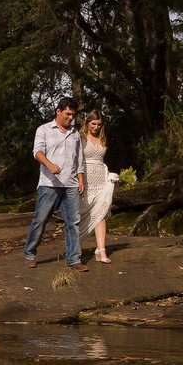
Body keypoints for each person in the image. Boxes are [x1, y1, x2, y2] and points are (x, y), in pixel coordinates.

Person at [23, 97, 86, 271]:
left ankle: (74, 259)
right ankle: (30, 253)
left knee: (73, 222)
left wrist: (81, 179)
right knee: (41, 219)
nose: (70, 118)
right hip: (49, 183)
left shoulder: (75, 133)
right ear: (58, 111)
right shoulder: (44, 130)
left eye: (73, 115)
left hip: (71, 184)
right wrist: (49, 164)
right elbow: (37, 152)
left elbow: (79, 159)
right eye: (67, 114)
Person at [78, 110, 115, 263]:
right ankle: (75, 248)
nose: (96, 127)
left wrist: (109, 174)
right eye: (93, 124)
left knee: (101, 212)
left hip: (101, 179)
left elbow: (101, 160)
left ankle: (101, 249)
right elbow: (76, 160)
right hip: (85, 178)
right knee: (81, 213)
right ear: (87, 123)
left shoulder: (102, 138)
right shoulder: (80, 138)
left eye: (99, 124)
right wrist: (79, 179)